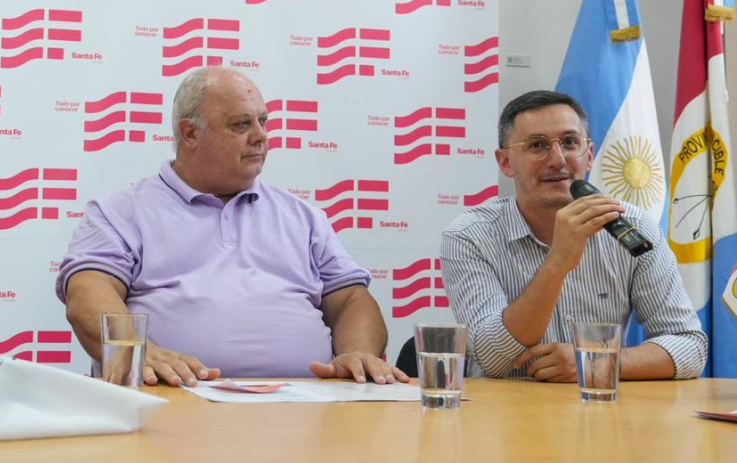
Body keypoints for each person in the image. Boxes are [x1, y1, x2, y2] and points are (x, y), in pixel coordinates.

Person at [56, 67, 406, 386]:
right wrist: (138, 352)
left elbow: (351, 300)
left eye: (263, 121)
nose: (261, 135)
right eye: (241, 125)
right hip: (174, 398)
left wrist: (358, 354)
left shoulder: (302, 216)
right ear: (190, 133)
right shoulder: (120, 212)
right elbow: (88, 291)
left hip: (304, 406)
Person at [440, 90, 706, 381]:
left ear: (589, 156)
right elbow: (491, 358)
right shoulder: (469, 236)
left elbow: (690, 347)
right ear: (505, 162)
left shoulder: (632, 226)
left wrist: (595, 362)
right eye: (537, 145)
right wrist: (558, 262)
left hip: (600, 406)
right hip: (505, 407)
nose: (558, 159)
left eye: (569, 143)